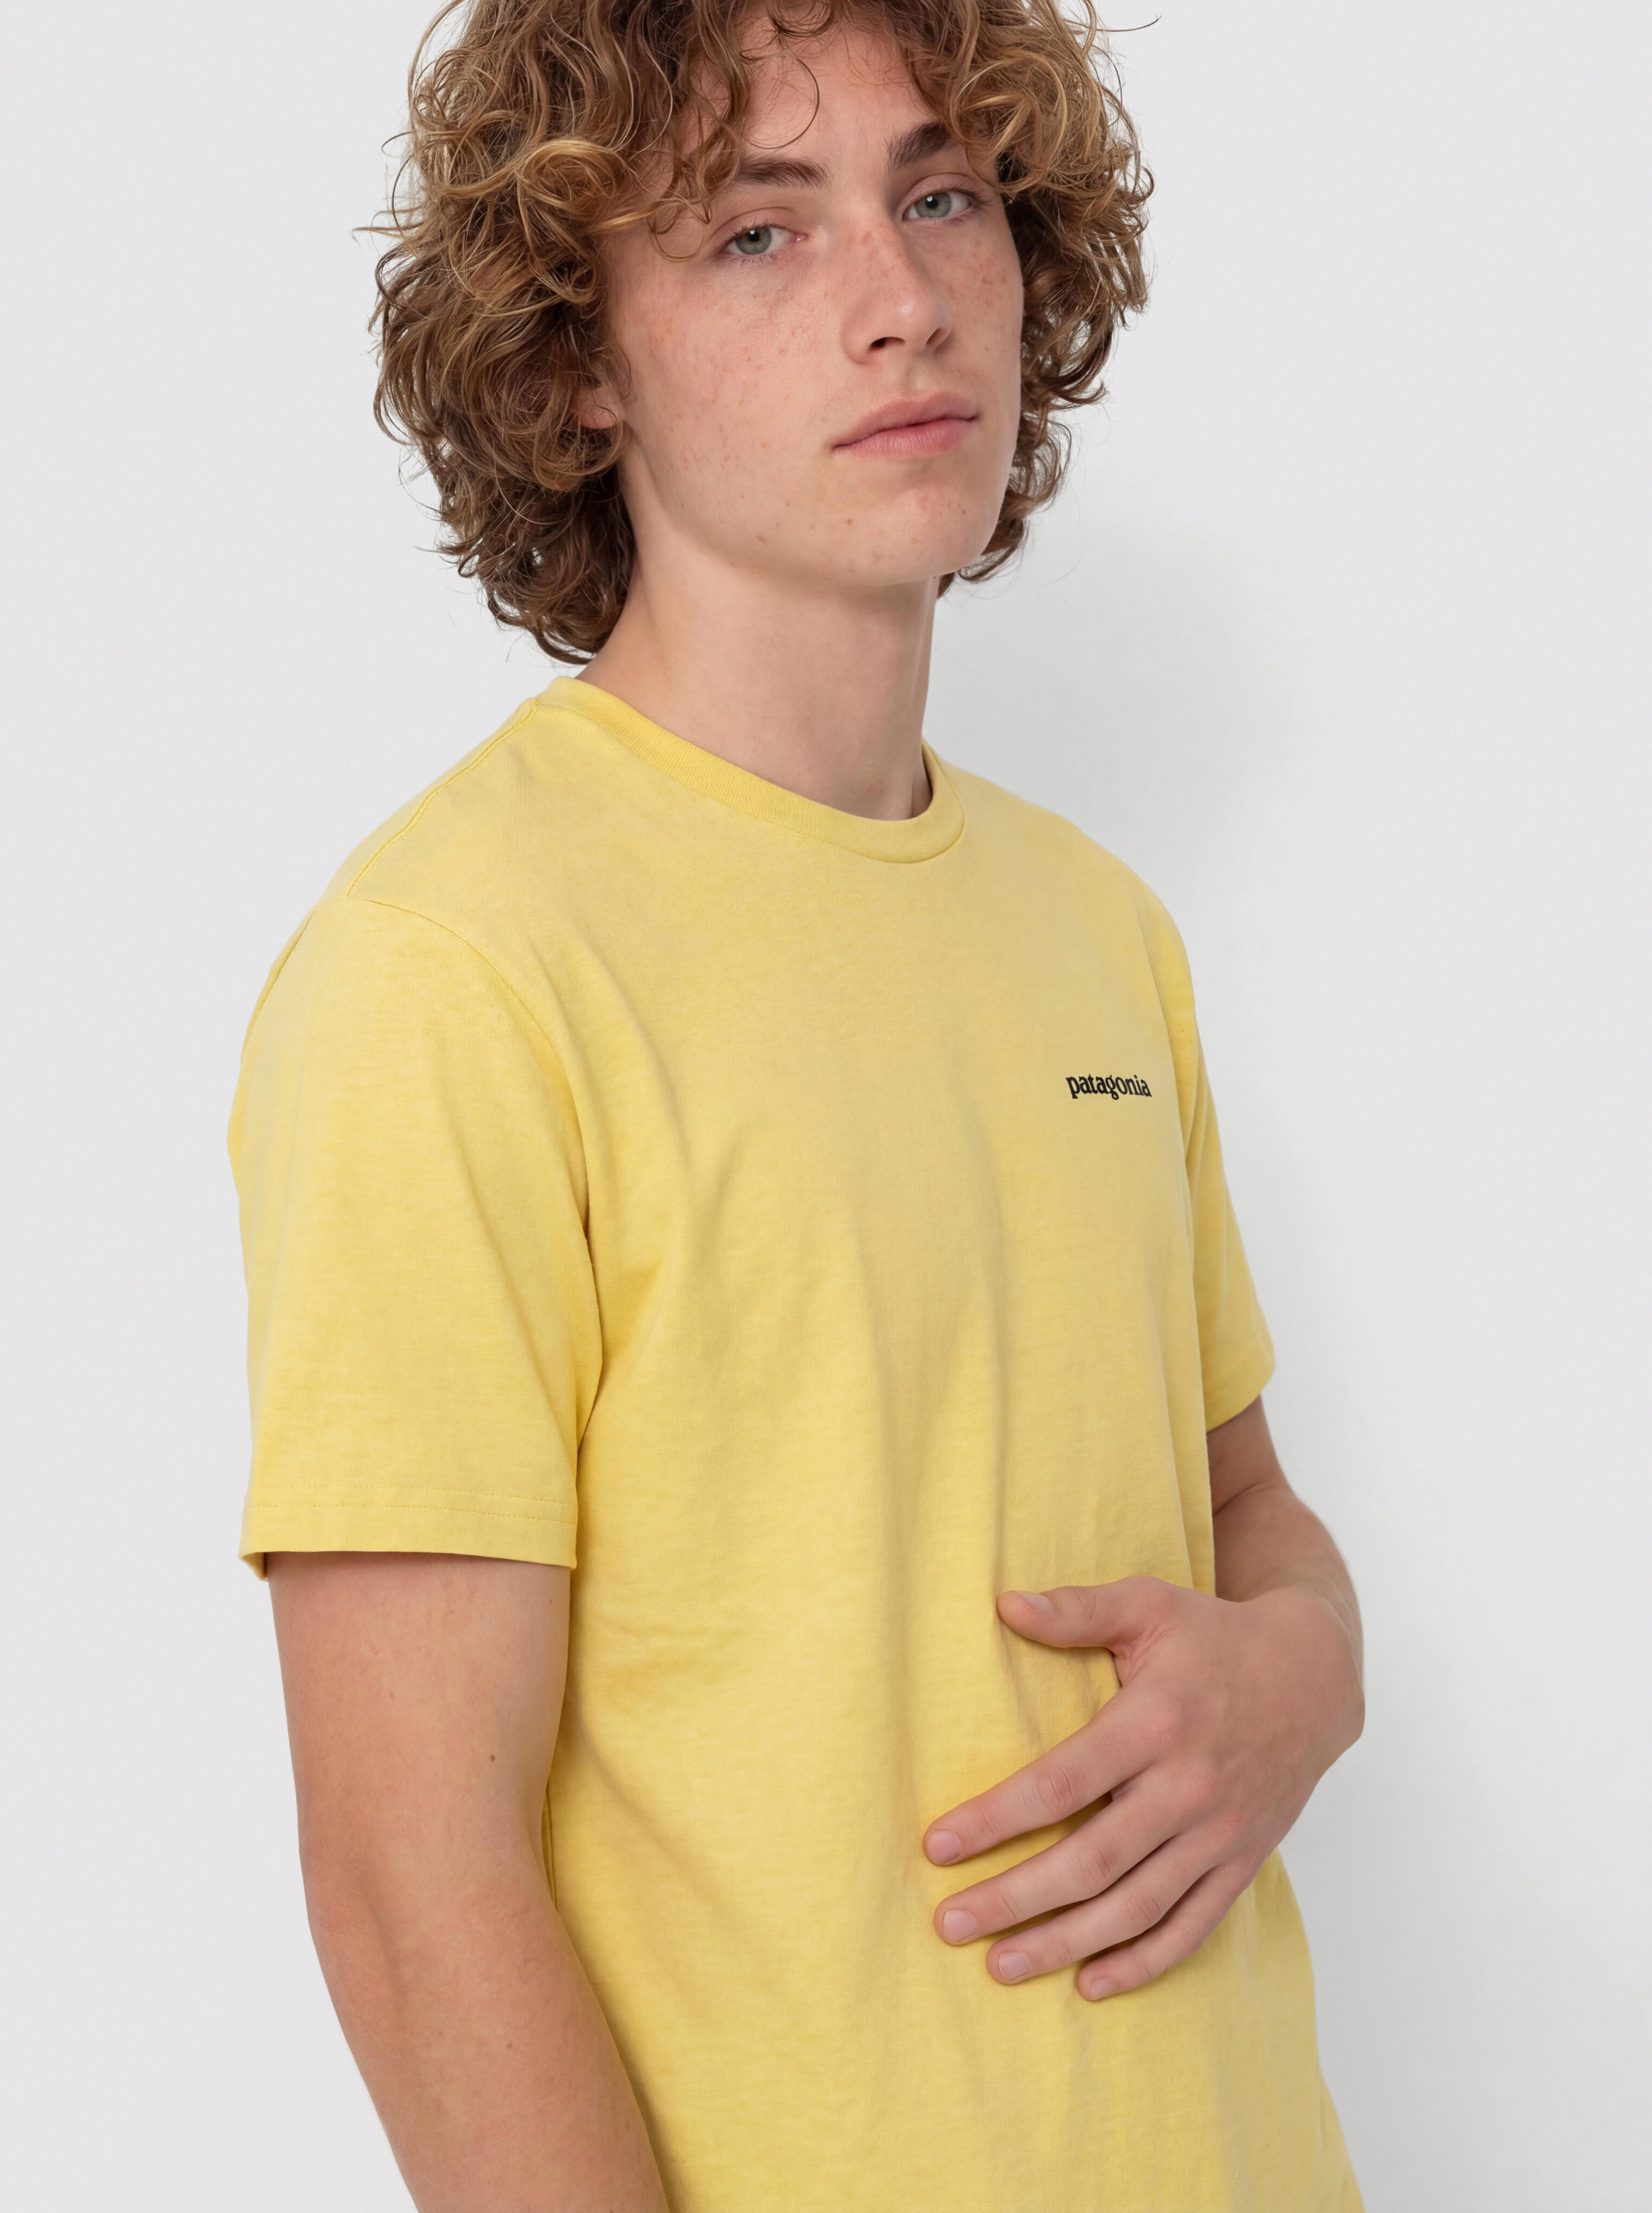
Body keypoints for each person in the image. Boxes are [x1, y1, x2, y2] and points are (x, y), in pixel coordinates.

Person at [231, 0, 1366, 2205]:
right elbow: (409, 1886)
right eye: (756, 233)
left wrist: (1300, 1678)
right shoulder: (452, 974)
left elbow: (1243, 1509)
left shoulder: (1092, 926)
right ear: (576, 361)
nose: (899, 296)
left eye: (939, 197)